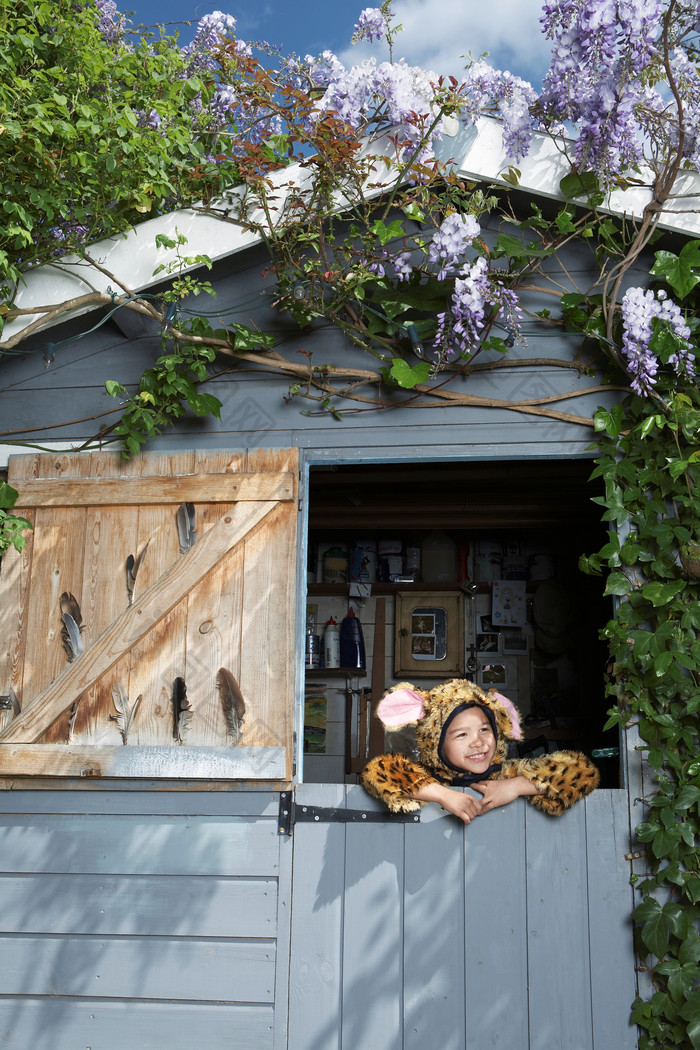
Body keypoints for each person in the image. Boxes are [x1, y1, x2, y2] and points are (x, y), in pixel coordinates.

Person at [362, 678, 599, 822]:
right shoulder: (430, 779)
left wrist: (516, 786)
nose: (478, 742)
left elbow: (583, 771)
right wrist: (443, 795)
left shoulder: (507, 775)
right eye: (462, 734)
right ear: (436, 743)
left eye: (485, 730)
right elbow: (377, 772)